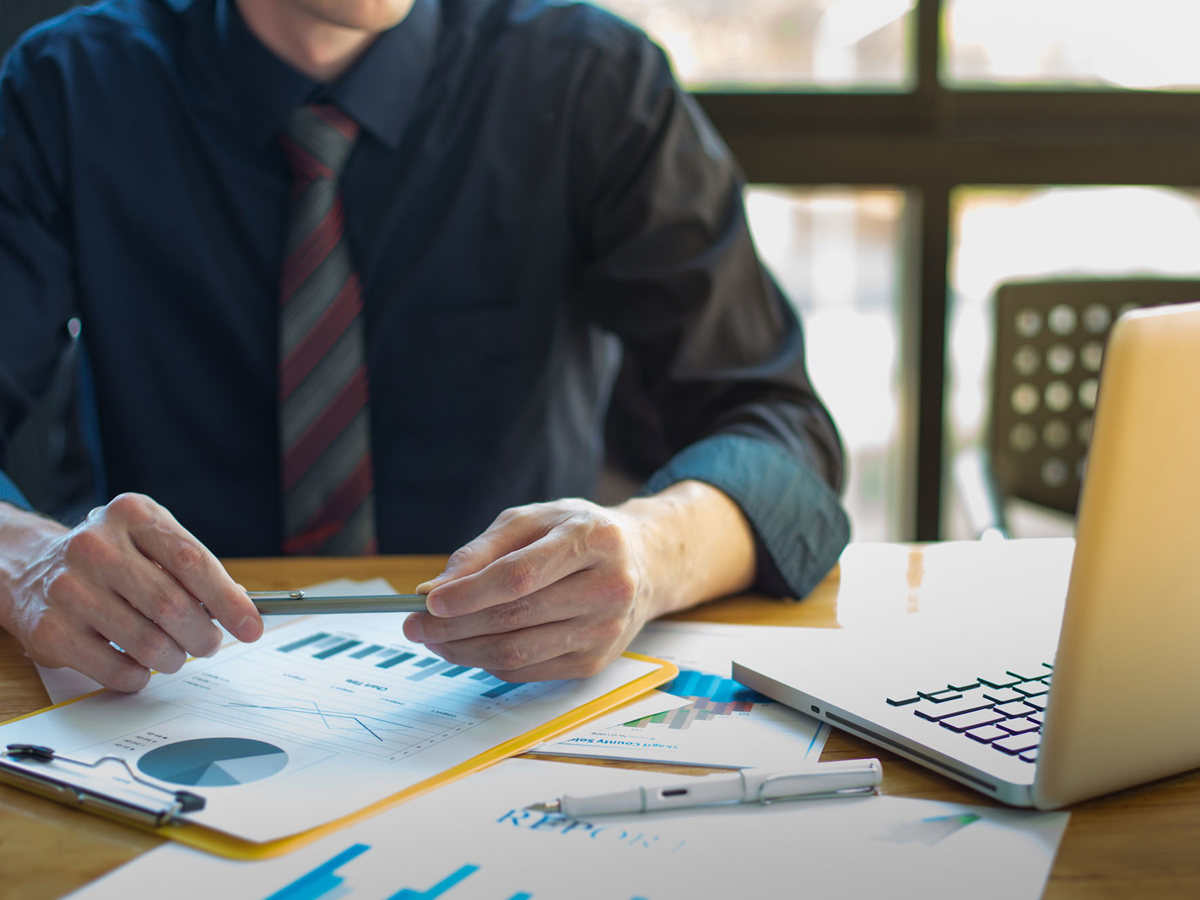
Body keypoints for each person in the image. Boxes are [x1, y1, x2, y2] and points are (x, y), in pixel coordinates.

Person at [0, 0, 850, 694]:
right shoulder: (64, 89)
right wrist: (27, 559)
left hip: (502, 707)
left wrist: (649, 555)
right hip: (154, 689)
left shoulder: (590, 81)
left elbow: (782, 440)